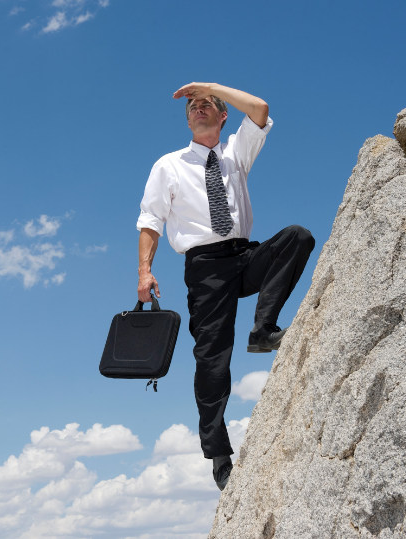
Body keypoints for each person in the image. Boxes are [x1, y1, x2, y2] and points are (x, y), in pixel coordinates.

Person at [136, 82, 315, 491]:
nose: (198, 109)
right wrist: (144, 272)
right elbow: (150, 221)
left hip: (244, 255)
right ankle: (218, 454)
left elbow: (260, 108)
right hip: (206, 270)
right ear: (187, 121)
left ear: (222, 115)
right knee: (212, 360)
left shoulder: (236, 153)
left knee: (297, 237)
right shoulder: (168, 165)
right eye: (192, 107)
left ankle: (263, 329)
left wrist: (211, 86)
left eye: (207, 105)